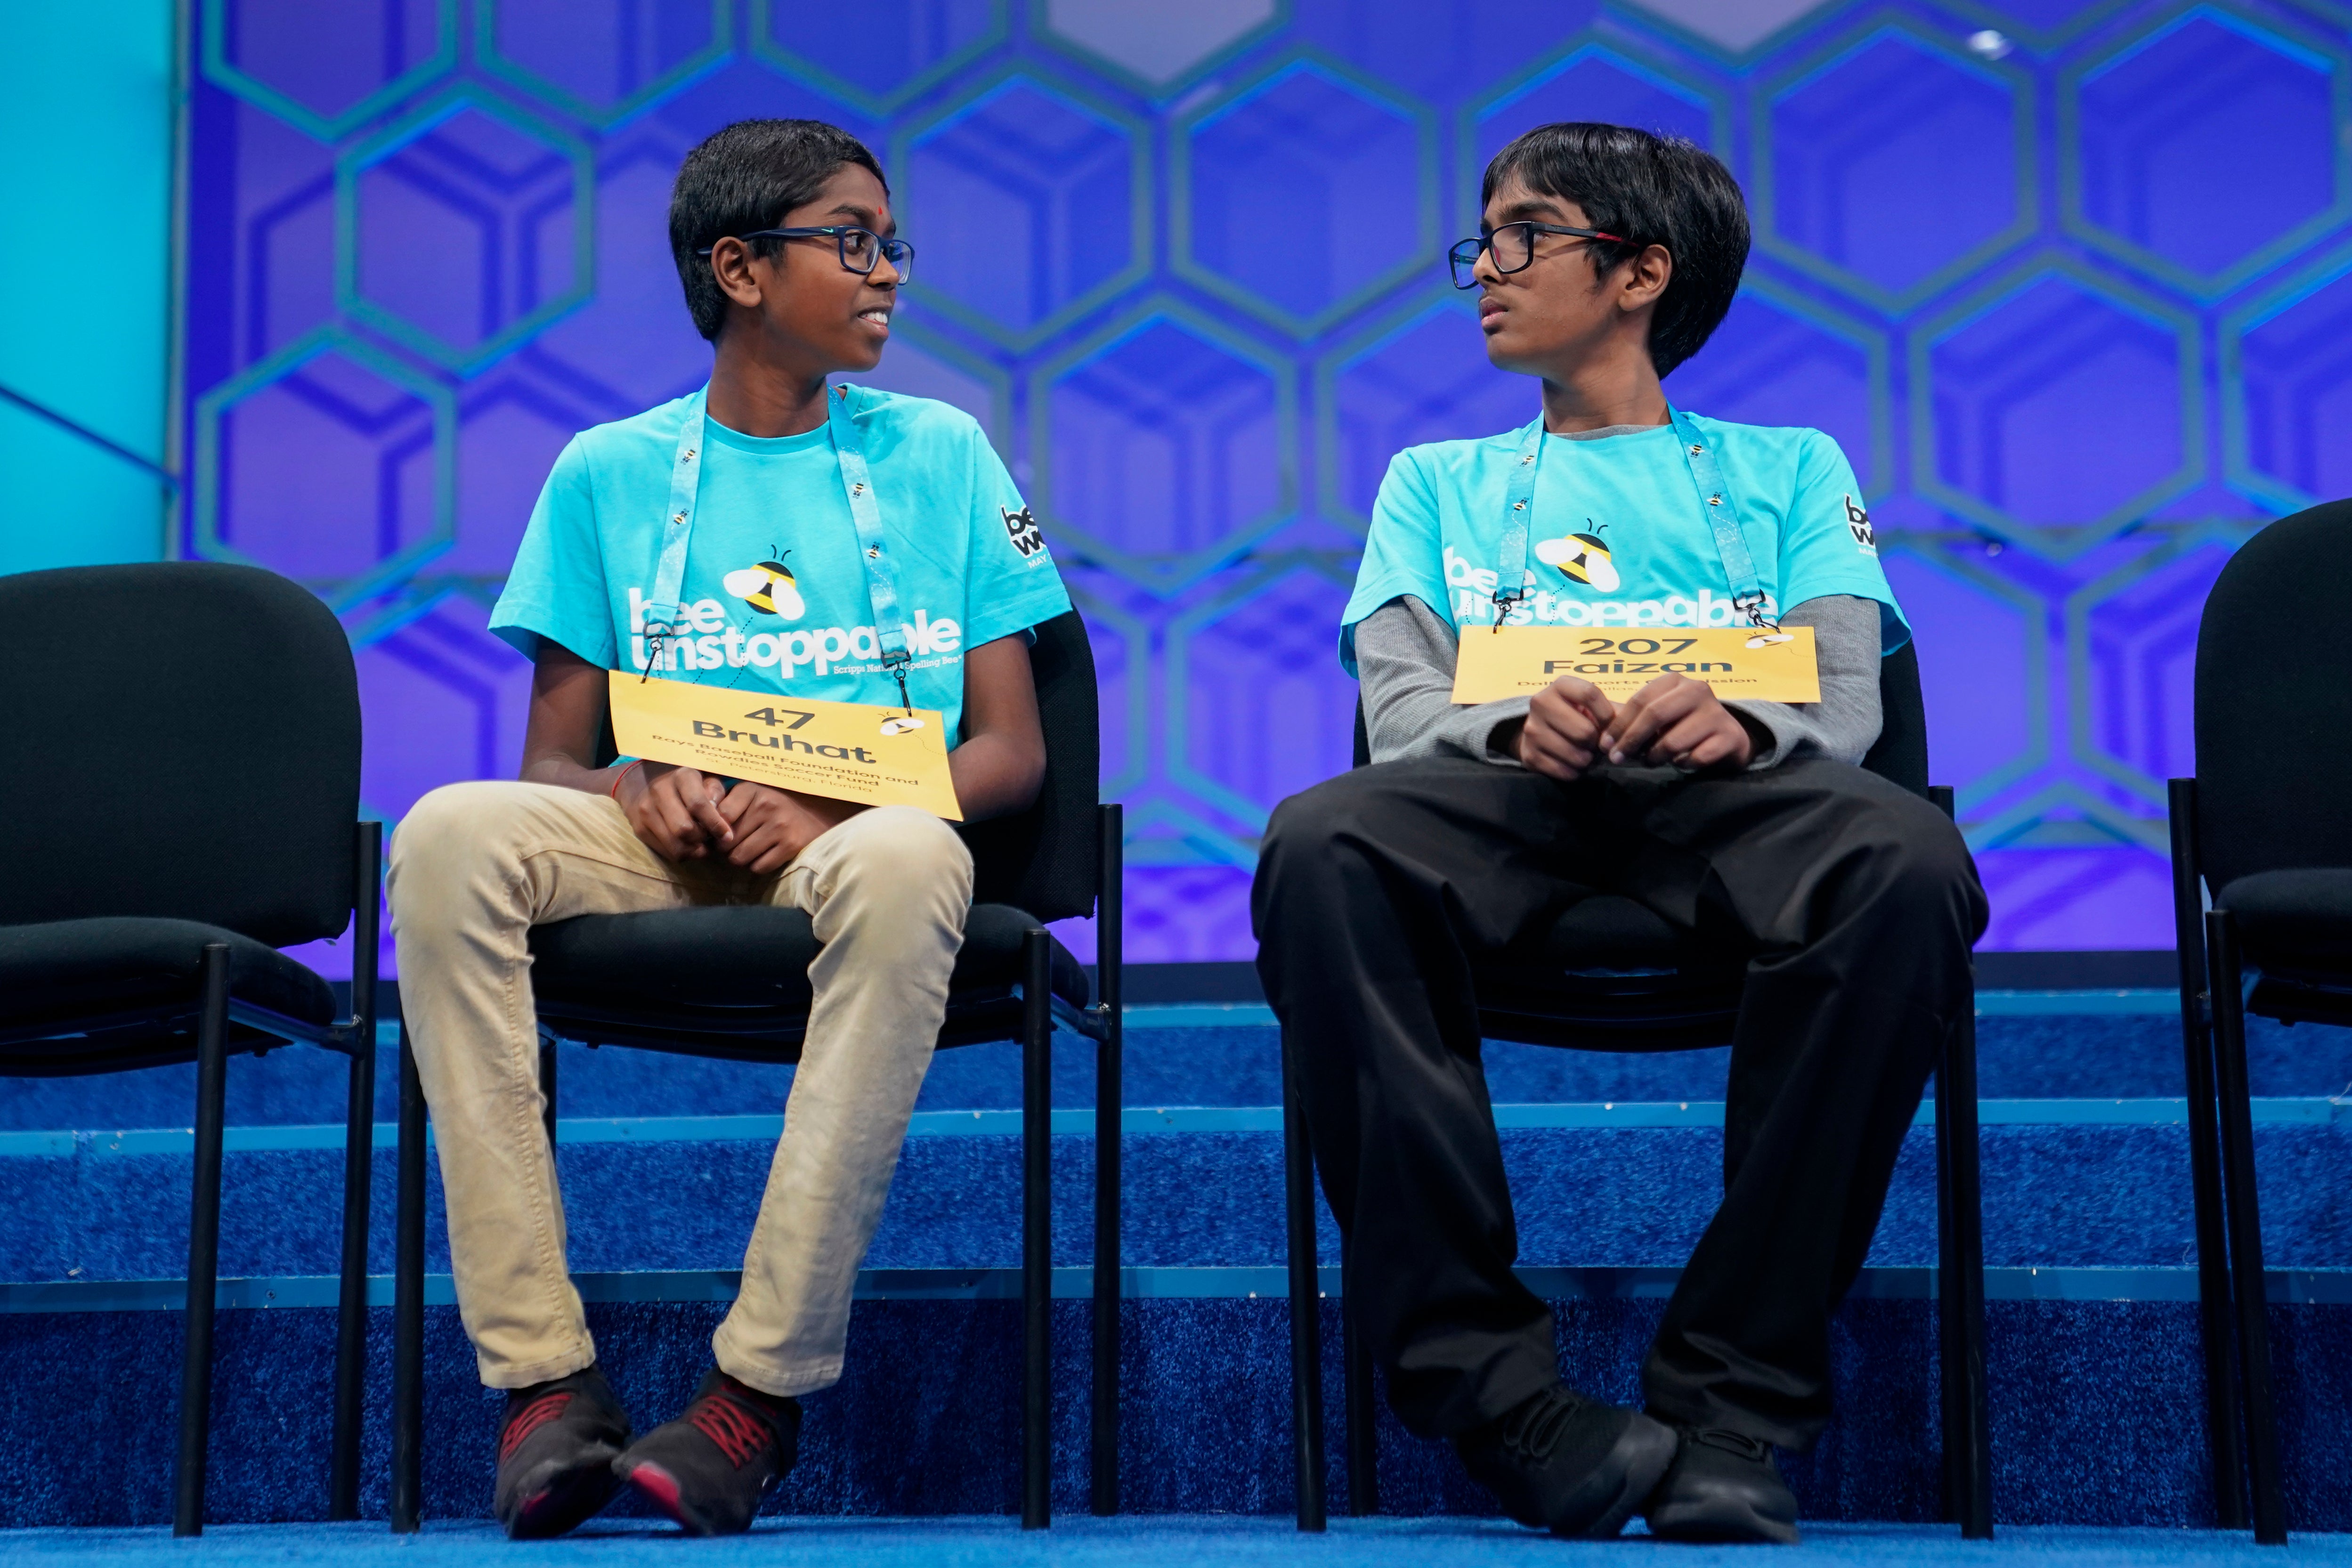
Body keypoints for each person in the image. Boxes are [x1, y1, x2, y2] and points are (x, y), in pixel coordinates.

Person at [1251, 122, 1987, 1543]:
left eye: (1523, 234)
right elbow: (1402, 711)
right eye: (1481, 238)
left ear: (1641, 270)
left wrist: (1744, 722)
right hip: (1509, 801)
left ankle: (1732, 1404)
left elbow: (1843, 694)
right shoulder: (1435, 481)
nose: (1484, 269)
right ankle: (1503, 1400)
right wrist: (1515, 723)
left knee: (1903, 861)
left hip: (1735, 805)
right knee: (1321, 842)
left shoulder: (1786, 466)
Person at [384, 119, 1071, 1539]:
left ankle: (754, 1394)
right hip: (653, 842)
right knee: (449, 828)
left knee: (907, 854)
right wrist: (635, 787)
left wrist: (834, 799)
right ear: (740, 267)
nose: (887, 271)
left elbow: (1009, 751)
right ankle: (542, 1386)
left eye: (893, 244)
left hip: (849, 832)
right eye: (854, 240)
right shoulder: (604, 472)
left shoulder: (942, 451)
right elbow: (553, 765)